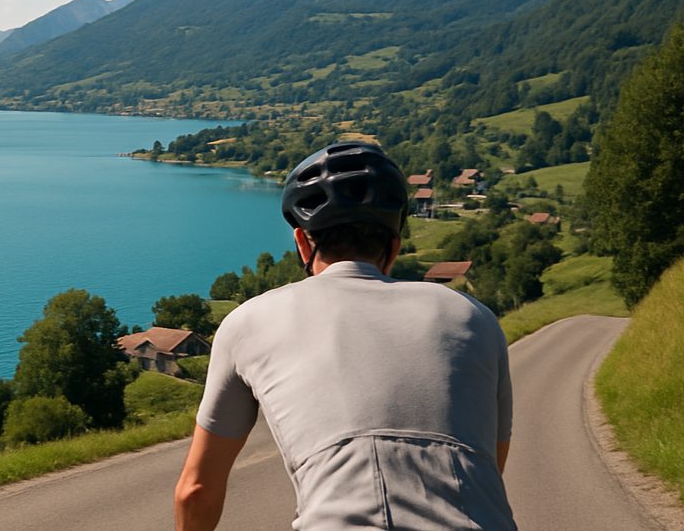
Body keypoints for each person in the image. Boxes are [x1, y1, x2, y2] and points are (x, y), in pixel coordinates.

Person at [175, 142, 515, 531]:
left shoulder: (249, 321)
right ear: (394, 247)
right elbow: (489, 468)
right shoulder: (475, 317)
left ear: (303, 243)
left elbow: (196, 490)